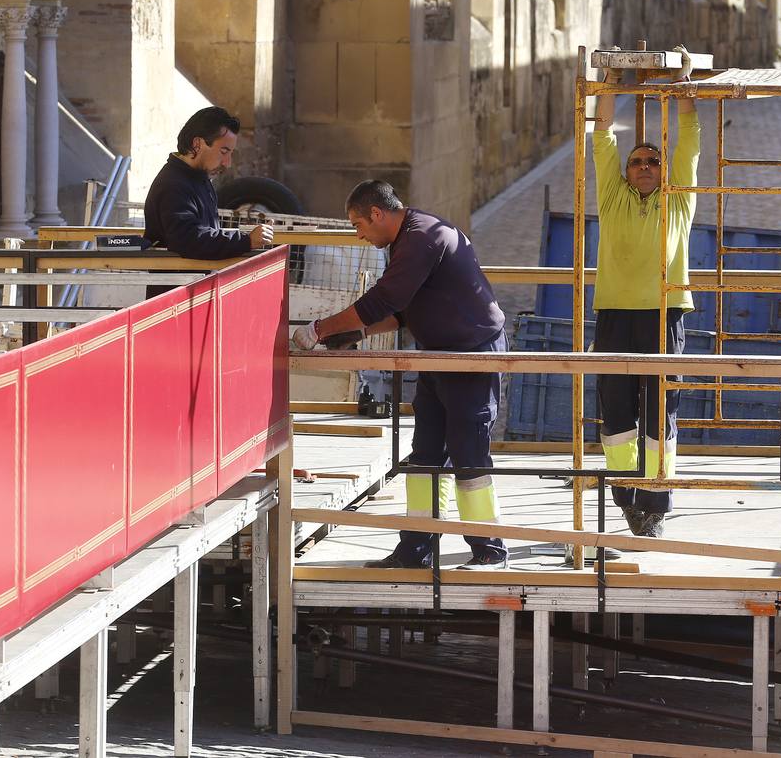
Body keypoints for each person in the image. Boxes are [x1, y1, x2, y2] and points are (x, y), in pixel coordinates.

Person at [292, 180, 510, 570]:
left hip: (471, 355)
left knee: (468, 451)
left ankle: (489, 549)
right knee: (425, 452)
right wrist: (355, 332)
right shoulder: (408, 240)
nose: (359, 235)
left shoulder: (421, 238)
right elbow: (404, 311)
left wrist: (319, 330)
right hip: (439, 354)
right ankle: (415, 548)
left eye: (358, 224)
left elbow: (384, 301)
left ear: (377, 214)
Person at [590, 46, 699, 540]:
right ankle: (623, 495)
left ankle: (655, 503)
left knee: (660, 408)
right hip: (614, 313)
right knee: (616, 408)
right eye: (638, 160)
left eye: (653, 160)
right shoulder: (612, 197)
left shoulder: (677, 202)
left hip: (665, 314)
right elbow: (601, 137)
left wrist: (684, 85)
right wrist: (609, 82)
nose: (646, 165)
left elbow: (690, 144)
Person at [143, 106, 273, 260]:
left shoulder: (199, 179)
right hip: (180, 284)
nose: (228, 163)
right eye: (224, 151)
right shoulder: (173, 185)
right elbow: (189, 240)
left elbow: (205, 234)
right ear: (197, 144)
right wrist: (246, 241)